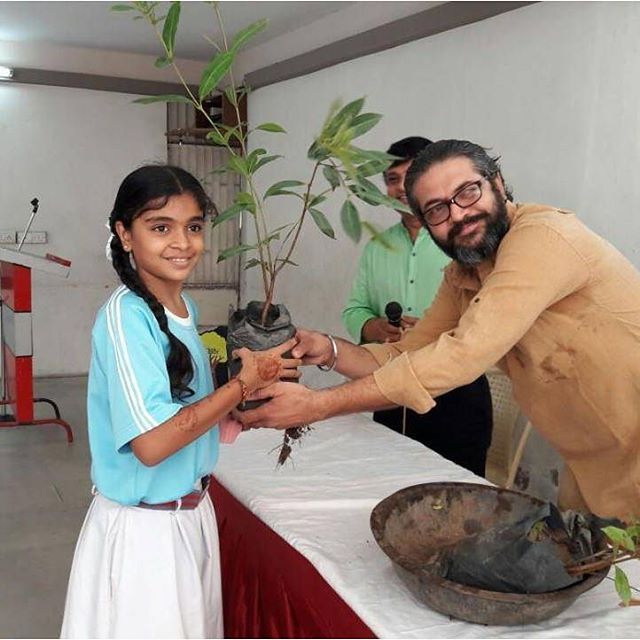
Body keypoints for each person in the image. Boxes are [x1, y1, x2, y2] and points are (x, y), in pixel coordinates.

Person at [237, 140, 640, 522]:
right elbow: (406, 353)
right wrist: (328, 350)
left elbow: (464, 353)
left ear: (497, 184)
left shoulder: (543, 237)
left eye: (467, 192)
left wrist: (318, 405)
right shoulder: (463, 275)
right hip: (592, 471)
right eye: (437, 210)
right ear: (426, 223)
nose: (459, 215)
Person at [60, 165, 300, 638]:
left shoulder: (182, 309)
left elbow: (179, 405)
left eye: (193, 227)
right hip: (145, 536)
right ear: (124, 235)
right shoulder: (126, 319)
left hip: (190, 513)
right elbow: (151, 443)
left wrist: (237, 409)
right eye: (160, 228)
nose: (182, 243)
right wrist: (241, 386)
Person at [342, 136, 492, 476]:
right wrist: (372, 327)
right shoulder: (376, 248)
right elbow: (354, 310)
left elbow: (488, 312)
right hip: (391, 387)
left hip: (457, 390)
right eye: (392, 180)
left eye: (409, 176)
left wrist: (428, 332)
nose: (400, 188)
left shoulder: (462, 239)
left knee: (455, 493)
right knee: (388, 483)